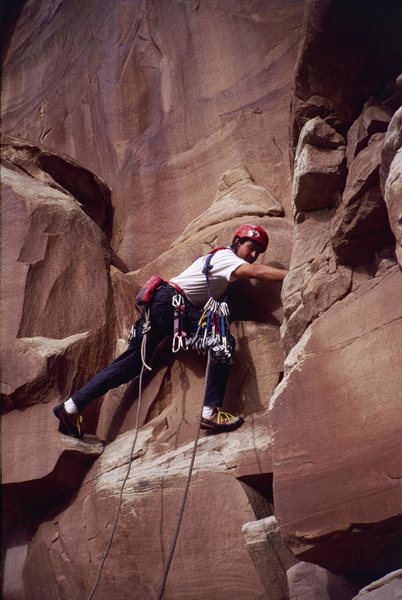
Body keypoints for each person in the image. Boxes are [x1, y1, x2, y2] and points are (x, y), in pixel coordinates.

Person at [53, 224, 287, 437]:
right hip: (174, 303)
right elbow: (256, 272)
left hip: (161, 303)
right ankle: (210, 412)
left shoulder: (216, 259)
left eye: (258, 251)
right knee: (222, 343)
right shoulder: (227, 257)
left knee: (131, 363)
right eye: (251, 247)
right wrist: (292, 273)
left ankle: (71, 407)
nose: (254, 255)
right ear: (237, 242)